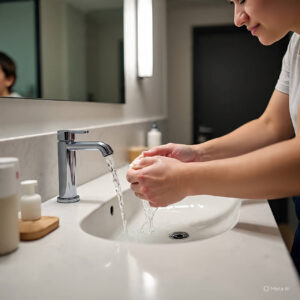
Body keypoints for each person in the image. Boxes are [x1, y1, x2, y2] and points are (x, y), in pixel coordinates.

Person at [126, 0, 300, 275]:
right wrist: (196, 154)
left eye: (242, 0)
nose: (238, 19)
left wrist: (185, 179)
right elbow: (270, 125)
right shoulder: (296, 44)